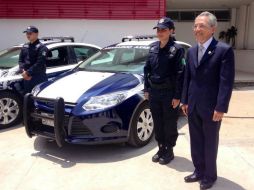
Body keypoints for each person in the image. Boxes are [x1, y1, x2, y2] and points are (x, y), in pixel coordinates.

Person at [181, 12, 235, 190]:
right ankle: (198, 171)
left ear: (213, 29)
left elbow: (226, 82)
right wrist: (184, 101)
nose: (197, 29)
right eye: (195, 26)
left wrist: (221, 107)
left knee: (210, 143)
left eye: (201, 26)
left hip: (212, 108)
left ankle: (210, 175)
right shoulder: (192, 51)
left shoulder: (223, 50)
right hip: (193, 105)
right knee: (195, 140)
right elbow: (187, 78)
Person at [144, 17, 185, 165]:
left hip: (169, 93)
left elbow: (180, 74)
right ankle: (161, 147)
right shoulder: (153, 47)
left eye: (164, 30)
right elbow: (146, 69)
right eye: (158, 30)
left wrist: (177, 96)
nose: (160, 32)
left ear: (171, 31)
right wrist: (146, 88)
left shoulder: (177, 49)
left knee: (169, 123)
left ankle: (169, 150)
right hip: (154, 92)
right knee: (158, 122)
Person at [19, 26, 48, 94]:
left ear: (36, 34)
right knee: (27, 99)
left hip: (37, 77)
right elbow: (21, 60)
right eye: (27, 33)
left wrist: (27, 73)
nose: (28, 35)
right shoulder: (25, 46)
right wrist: (22, 71)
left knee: (38, 99)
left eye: (30, 33)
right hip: (26, 77)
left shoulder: (42, 48)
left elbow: (40, 63)